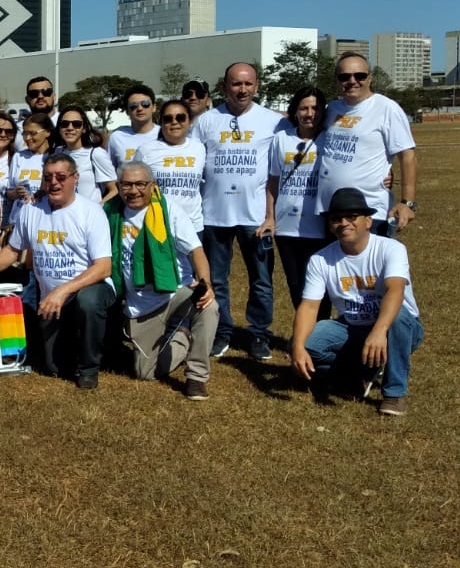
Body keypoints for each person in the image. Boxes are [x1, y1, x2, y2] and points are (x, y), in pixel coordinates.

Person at [0, 152, 115, 389]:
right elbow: (13, 251)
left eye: (61, 177)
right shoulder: (31, 210)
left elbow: (103, 267)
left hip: (85, 290)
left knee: (89, 301)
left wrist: (62, 291)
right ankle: (73, 347)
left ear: (75, 178)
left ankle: (89, 368)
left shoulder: (91, 212)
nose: (54, 182)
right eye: (48, 177)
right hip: (51, 301)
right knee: (54, 368)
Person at [291, 188, 423, 416]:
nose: (344, 223)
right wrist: (298, 347)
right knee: (307, 343)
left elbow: (395, 290)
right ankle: (358, 373)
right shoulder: (320, 259)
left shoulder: (391, 249)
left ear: (368, 221)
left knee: (399, 316)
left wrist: (379, 331)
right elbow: (310, 306)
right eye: (336, 219)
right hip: (352, 326)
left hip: (397, 327)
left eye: (352, 217)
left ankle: (394, 393)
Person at [192, 61, 288, 360]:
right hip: (214, 215)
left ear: (257, 86)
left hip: (255, 217)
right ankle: (222, 332)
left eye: (248, 84)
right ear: (225, 87)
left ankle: (258, 334)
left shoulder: (274, 122)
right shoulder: (206, 121)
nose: (242, 89)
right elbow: (191, 160)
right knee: (216, 279)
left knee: (261, 279)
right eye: (236, 84)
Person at [107, 162, 216, 399]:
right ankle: (181, 338)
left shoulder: (169, 211)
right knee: (143, 372)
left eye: (140, 184)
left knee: (208, 306)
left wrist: (205, 282)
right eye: (126, 184)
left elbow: (196, 251)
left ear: (152, 185)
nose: (133, 190)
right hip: (141, 305)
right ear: (118, 186)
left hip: (176, 291)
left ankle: (196, 377)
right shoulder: (110, 213)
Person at [315, 51, 418, 236]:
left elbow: (407, 155)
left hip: (370, 212)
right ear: (337, 81)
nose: (352, 81)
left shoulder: (387, 109)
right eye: (344, 76)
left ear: (370, 78)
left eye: (360, 75)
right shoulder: (332, 109)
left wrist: (407, 203)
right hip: (332, 211)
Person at [261, 87, 330, 316]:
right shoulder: (281, 139)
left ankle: (320, 334)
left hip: (319, 226)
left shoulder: (329, 138)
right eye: (304, 108)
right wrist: (270, 218)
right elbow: (273, 182)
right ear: (295, 111)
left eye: (315, 108)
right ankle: (305, 335)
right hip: (287, 227)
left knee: (320, 287)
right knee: (296, 285)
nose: (310, 113)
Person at [135, 99, 207, 233]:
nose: (174, 122)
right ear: (161, 122)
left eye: (180, 118)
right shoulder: (146, 150)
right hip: (158, 225)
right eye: (168, 119)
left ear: (190, 121)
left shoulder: (200, 149)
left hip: (192, 226)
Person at [5, 112, 54, 242]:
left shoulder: (56, 156)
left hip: (44, 223)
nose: (27, 138)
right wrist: (16, 193)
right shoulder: (18, 157)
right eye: (25, 133)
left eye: (33, 133)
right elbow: (9, 192)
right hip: (17, 222)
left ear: (47, 132)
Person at [54, 106, 117, 203]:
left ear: (84, 129)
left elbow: (114, 190)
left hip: (88, 216)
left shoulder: (96, 154)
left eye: (76, 124)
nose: (70, 128)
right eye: (64, 124)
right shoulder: (57, 153)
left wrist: (97, 209)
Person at [107, 84, 159, 168]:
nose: (140, 109)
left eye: (145, 104)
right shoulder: (116, 137)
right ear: (127, 111)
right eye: (133, 106)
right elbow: (110, 173)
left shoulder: (164, 134)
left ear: (154, 107)